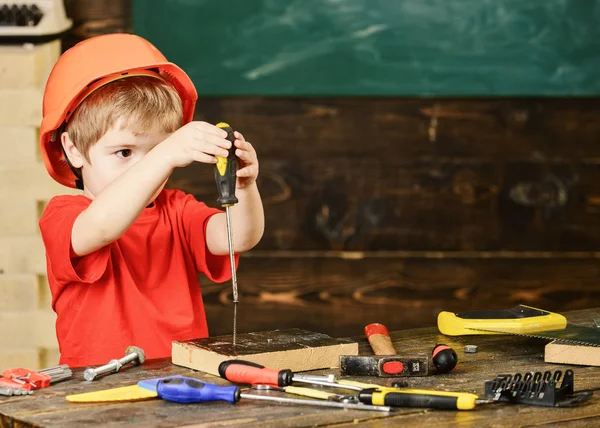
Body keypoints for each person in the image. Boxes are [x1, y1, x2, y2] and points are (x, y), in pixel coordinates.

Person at [38, 33, 264, 367]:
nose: (148, 164)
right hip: (99, 391)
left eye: (157, 148)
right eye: (125, 151)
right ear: (73, 149)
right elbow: (100, 228)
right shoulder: (64, 215)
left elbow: (238, 237)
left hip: (182, 382)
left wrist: (245, 186)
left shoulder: (177, 209)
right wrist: (163, 155)